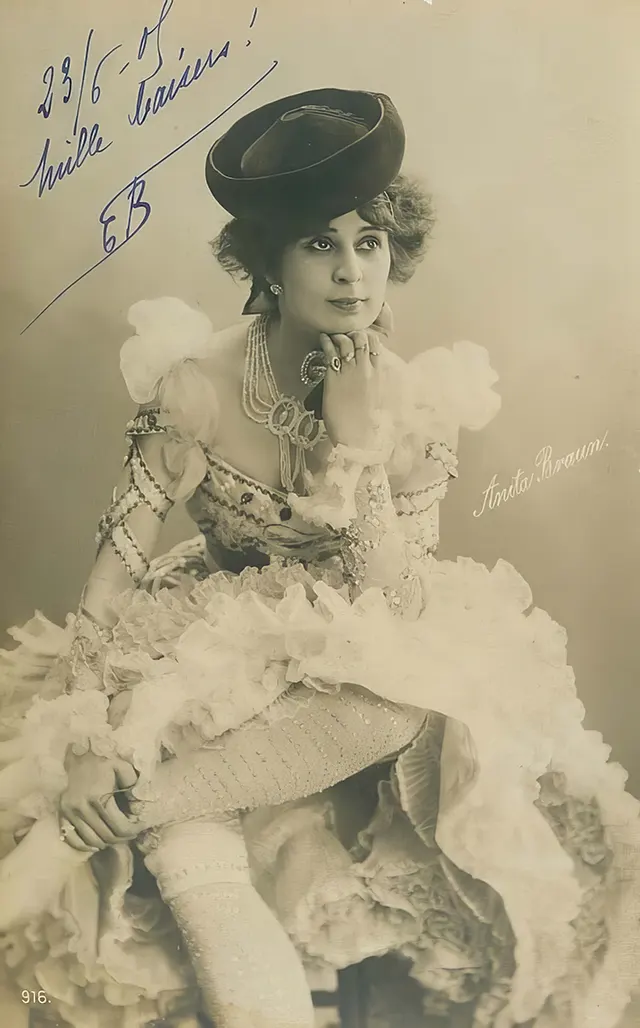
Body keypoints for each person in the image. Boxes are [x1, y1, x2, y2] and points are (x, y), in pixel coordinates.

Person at [0, 87, 638, 1028]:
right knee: (188, 851)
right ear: (265, 260)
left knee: (404, 693)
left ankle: (130, 811)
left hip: (359, 669)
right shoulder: (197, 389)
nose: (351, 275)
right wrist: (93, 747)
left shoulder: (415, 406)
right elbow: (108, 590)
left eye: (370, 243)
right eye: (319, 244)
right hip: (212, 640)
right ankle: (139, 809)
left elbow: (397, 608)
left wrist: (361, 451)